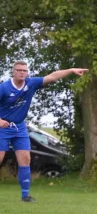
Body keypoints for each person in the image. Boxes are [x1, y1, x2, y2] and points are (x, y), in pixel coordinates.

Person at [0, 61, 87, 202]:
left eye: (25, 70)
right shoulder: (4, 88)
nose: (22, 72)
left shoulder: (31, 83)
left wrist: (71, 70)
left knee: (25, 159)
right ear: (14, 72)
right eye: (19, 70)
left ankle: (25, 195)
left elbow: (52, 76)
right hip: (2, 128)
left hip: (19, 127)